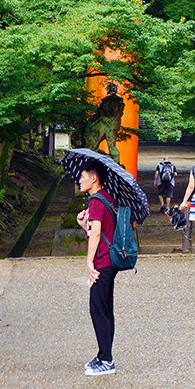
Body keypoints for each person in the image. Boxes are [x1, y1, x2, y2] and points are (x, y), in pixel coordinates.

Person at [76, 159, 118, 377]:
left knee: (98, 311)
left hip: (102, 262)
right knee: (105, 310)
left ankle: (107, 360)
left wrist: (89, 262)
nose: (79, 180)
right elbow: (94, 230)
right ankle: (103, 355)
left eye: (82, 176)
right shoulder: (106, 198)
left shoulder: (96, 201)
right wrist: (85, 225)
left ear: (94, 178)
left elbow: (98, 233)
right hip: (109, 261)